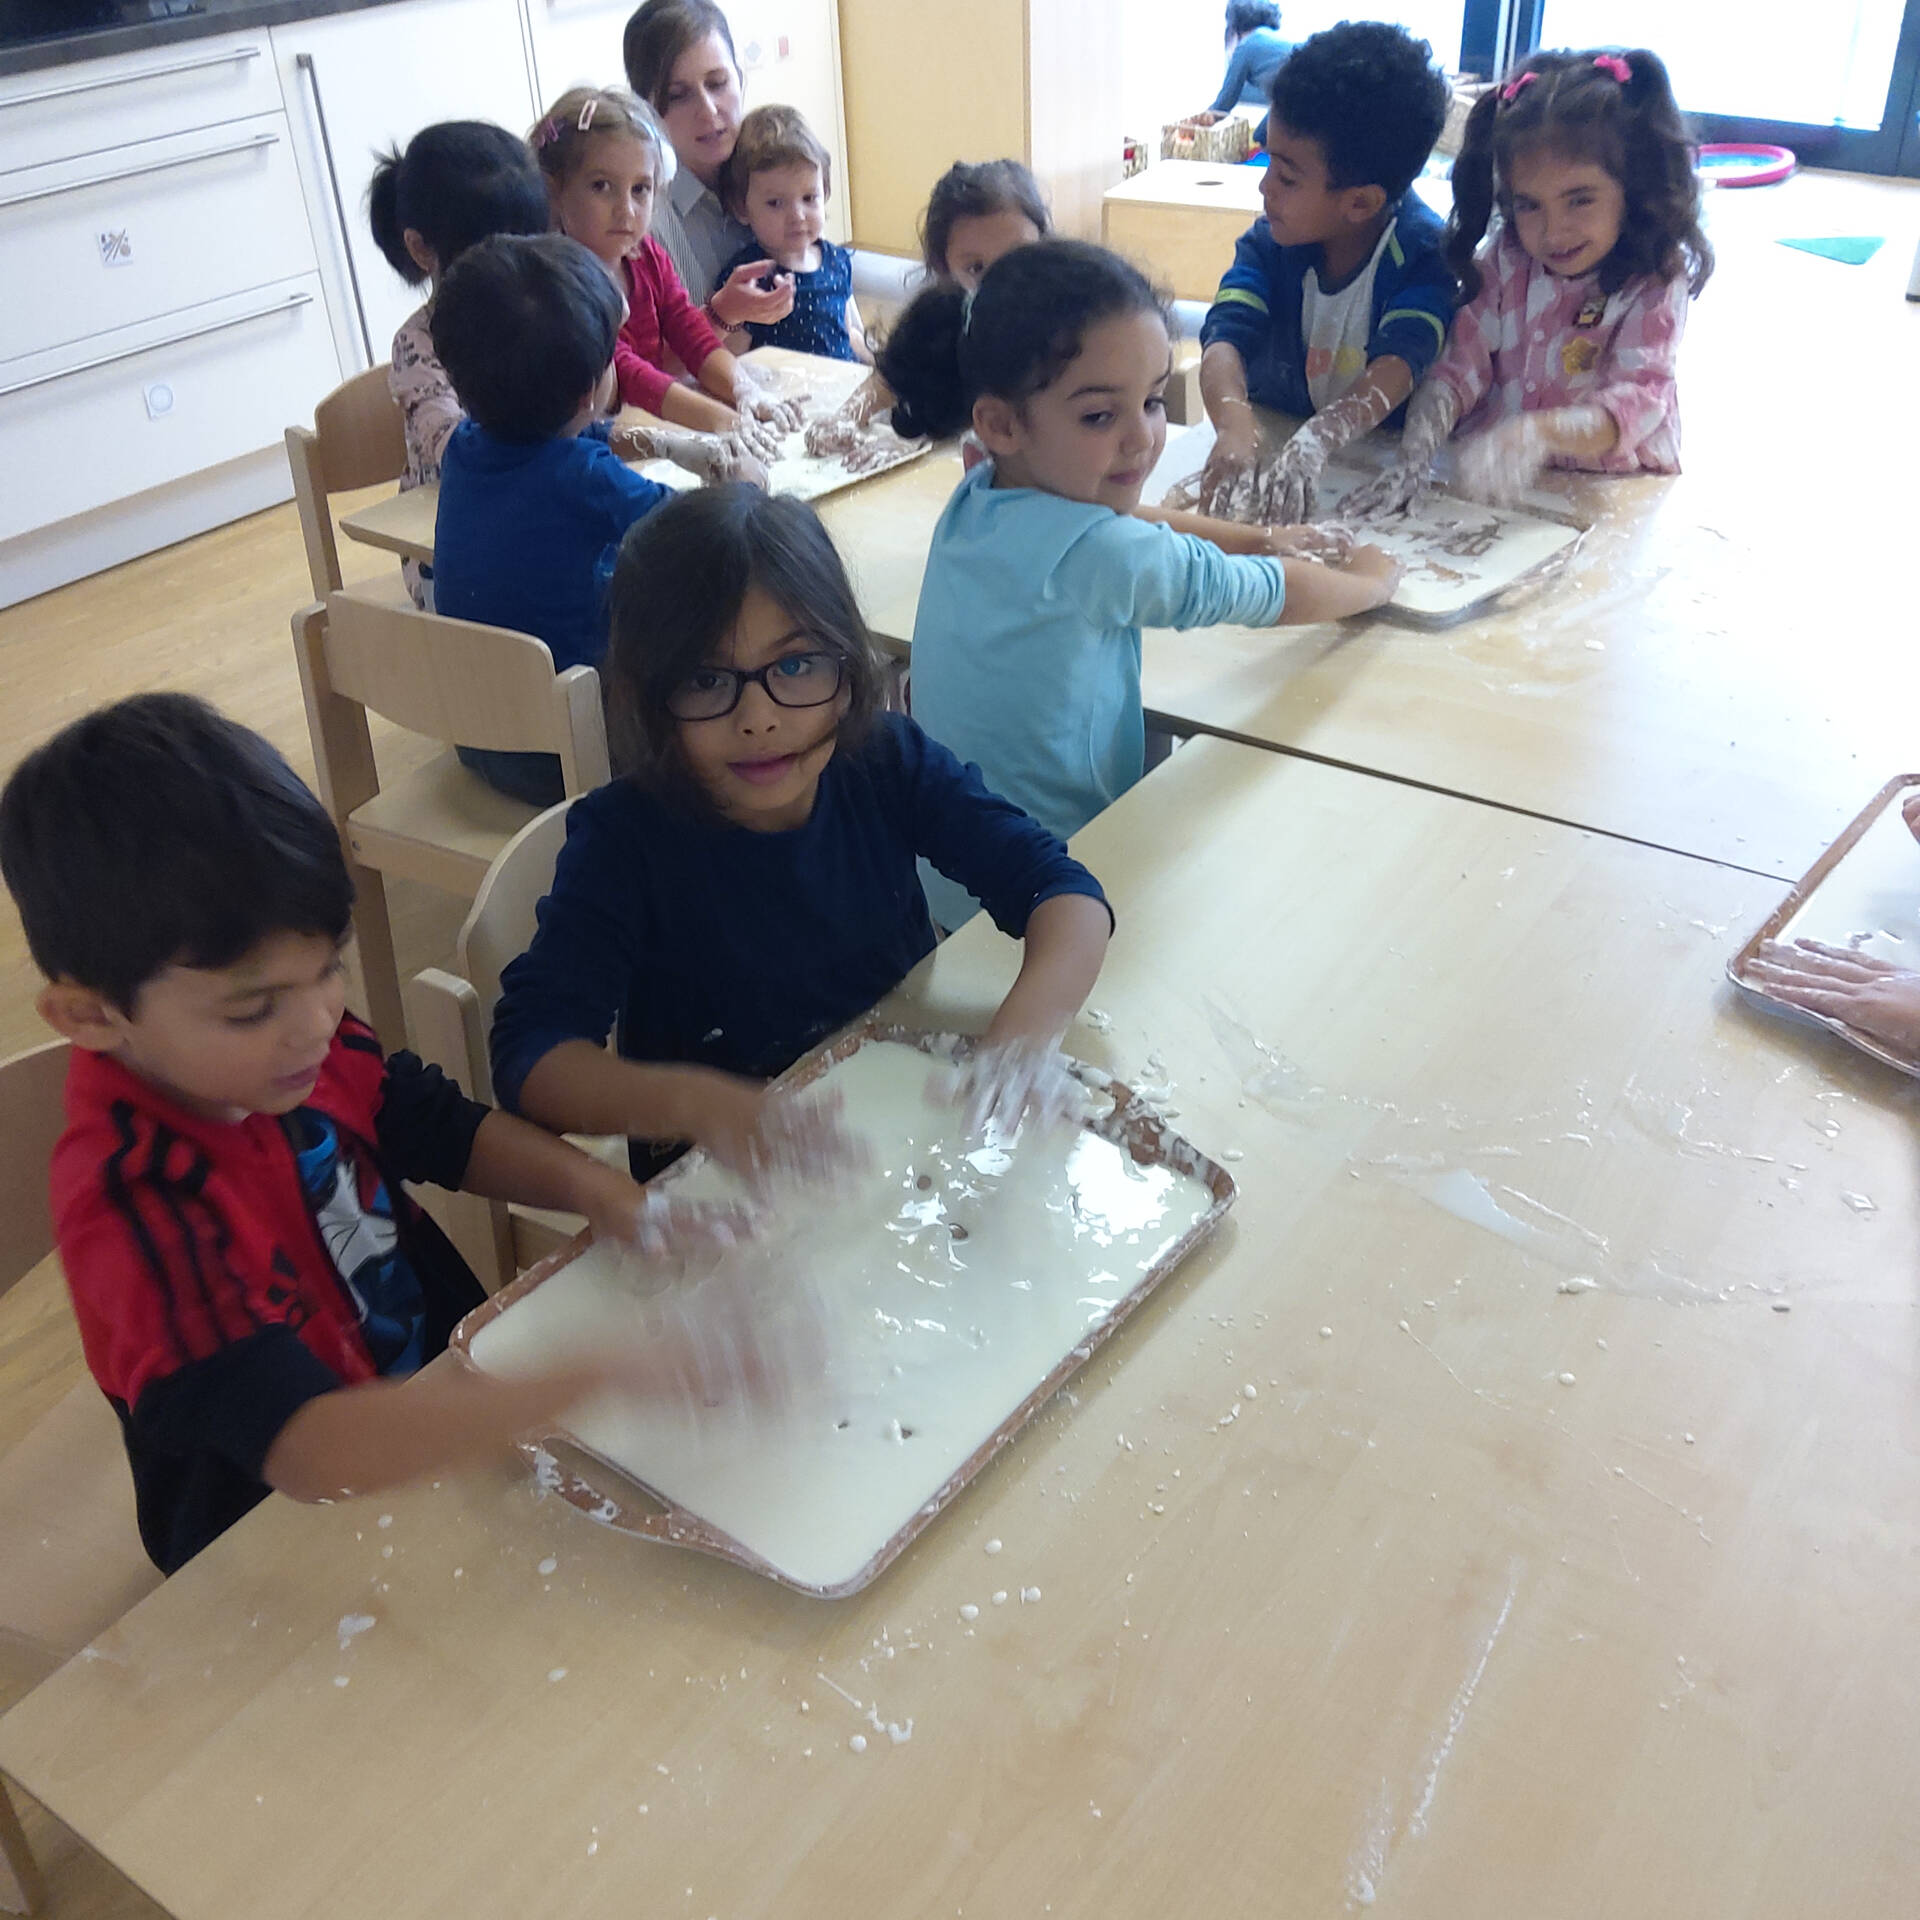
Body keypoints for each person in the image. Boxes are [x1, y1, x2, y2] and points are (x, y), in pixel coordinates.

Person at [0, 694, 736, 1574]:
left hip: (433, 1414)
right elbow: (311, 1450)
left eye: (328, 970)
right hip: (276, 1552)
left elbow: (439, 1130)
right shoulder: (138, 1206)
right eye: (252, 1007)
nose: (316, 1021)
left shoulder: (289, 1050)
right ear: (90, 1016)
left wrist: (602, 1194)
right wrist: (598, 1374)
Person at [487, 484, 1115, 1173]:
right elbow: (530, 1059)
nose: (758, 718)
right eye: (705, 679)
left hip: (898, 1126)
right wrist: (701, 1103)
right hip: (730, 1185)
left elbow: (1063, 894)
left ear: (847, 672)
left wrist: (1019, 1045)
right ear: (647, 698)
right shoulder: (623, 844)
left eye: (795, 665)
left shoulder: (885, 762)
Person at [877, 240, 1399, 931]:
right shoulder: (1104, 557)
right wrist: (1371, 583)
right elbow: (1272, 595)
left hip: (947, 887)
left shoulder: (979, 493)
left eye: (1153, 400)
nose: (1142, 438)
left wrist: (1259, 534)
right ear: (1000, 423)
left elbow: (1114, 515)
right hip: (1045, 903)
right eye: (1100, 415)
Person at [1347, 48, 1713, 515]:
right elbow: (1457, 369)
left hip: (1614, 492)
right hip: (1500, 484)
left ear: (1633, 187)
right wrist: (1415, 453)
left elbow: (1642, 396)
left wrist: (1540, 432)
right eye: (1529, 205)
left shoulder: (1654, 277)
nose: (1553, 231)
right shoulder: (1507, 260)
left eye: (1580, 200)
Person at [430, 233, 675, 805]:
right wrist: (745, 485)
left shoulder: (465, 447)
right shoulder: (583, 476)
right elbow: (697, 529)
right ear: (592, 390)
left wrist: (662, 442)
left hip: (480, 735)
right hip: (578, 753)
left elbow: (568, 441)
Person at [1196, 21, 1455, 524]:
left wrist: (1318, 439)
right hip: (1274, 441)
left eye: (1286, 175)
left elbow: (1400, 361)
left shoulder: (1422, 255)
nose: (1264, 188)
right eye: (1266, 159)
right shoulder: (1271, 243)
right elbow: (1225, 336)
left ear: (1360, 202)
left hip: (1374, 474)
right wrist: (1233, 424)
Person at [533, 84, 795, 451]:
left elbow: (689, 330)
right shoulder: (557, 283)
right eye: (601, 186)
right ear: (555, 191)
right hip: (593, 446)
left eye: (640, 189)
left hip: (652, 425)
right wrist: (722, 420)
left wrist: (744, 390)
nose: (625, 209)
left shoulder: (645, 255)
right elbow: (628, 375)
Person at [367, 120, 551, 607]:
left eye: (530, 246)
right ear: (422, 248)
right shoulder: (418, 344)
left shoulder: (537, 310)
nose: (517, 271)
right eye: (496, 251)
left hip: (534, 506)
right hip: (449, 550)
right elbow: (458, 450)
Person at [803, 158, 1051, 458]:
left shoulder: (1071, 323)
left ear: (1045, 245)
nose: (1001, 282)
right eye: (976, 268)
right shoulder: (936, 319)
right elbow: (885, 384)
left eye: (1017, 258)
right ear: (944, 269)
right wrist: (843, 421)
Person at [623, 0, 794, 331]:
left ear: (739, 79)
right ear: (647, 109)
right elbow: (648, 367)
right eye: (678, 95)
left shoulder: (785, 169)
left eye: (717, 84)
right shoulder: (650, 224)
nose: (708, 110)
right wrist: (720, 315)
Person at [718, 104, 868, 363]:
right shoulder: (749, 276)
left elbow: (847, 332)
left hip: (845, 389)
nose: (797, 216)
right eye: (776, 203)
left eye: (809, 198)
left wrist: (883, 370)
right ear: (742, 207)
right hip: (789, 397)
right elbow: (732, 358)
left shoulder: (836, 260)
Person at [1200, 1, 1291, 142]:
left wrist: (1198, 123)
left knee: (1260, 137)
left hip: (1290, 100)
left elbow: (1223, 104)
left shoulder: (1246, 45)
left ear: (1233, 29)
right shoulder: (1277, 41)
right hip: (1307, 98)